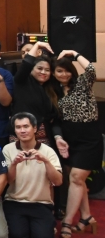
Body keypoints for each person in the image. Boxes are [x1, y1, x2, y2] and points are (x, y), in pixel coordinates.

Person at [49, 49, 102, 236]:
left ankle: (67, 221)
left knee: (76, 178)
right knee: (77, 181)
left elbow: (91, 70)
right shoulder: (55, 92)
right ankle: (86, 216)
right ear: (54, 73)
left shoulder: (81, 84)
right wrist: (59, 138)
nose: (64, 74)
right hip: (69, 141)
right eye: (59, 71)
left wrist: (75, 53)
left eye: (67, 70)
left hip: (89, 140)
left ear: (72, 71)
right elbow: (56, 120)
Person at [2, 112, 63, 238]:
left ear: (35, 128)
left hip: (41, 203)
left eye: (26, 126)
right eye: (18, 127)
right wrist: (14, 164)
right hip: (14, 202)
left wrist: (46, 161)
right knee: (17, 234)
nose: (22, 131)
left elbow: (58, 182)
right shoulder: (7, 149)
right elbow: (8, 181)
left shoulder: (48, 151)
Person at [9, 41, 57, 146]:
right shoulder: (22, 81)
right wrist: (38, 45)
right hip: (21, 136)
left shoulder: (50, 88)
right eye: (39, 68)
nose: (43, 72)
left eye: (47, 70)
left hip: (43, 138)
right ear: (31, 69)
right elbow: (27, 63)